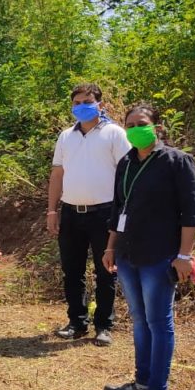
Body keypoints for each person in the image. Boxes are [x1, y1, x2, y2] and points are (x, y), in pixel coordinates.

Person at [101, 102, 195, 390]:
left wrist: (184, 255)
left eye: (141, 122)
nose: (134, 128)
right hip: (128, 254)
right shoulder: (126, 163)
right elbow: (119, 210)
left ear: (157, 127)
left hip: (160, 256)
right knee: (139, 319)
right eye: (129, 123)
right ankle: (142, 383)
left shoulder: (177, 161)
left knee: (159, 323)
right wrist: (109, 248)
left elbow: (191, 213)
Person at [48, 83, 132, 346]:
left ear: (100, 104)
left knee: (106, 271)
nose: (81, 107)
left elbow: (127, 174)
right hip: (71, 212)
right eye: (77, 103)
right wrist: (52, 210)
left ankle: (104, 325)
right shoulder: (66, 137)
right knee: (72, 271)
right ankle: (77, 322)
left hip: (105, 213)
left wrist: (124, 212)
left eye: (87, 101)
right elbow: (57, 174)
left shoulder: (115, 134)